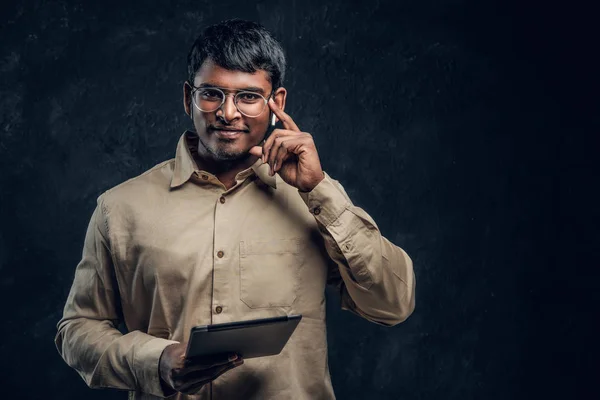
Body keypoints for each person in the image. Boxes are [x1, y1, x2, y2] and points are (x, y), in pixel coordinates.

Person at [55, 19, 416, 400]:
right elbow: (78, 329)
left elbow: (393, 303)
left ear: (277, 103)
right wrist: (154, 360)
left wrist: (318, 188)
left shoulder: (316, 200)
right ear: (187, 98)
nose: (228, 113)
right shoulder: (120, 207)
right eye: (211, 93)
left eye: (248, 96)